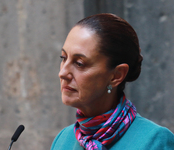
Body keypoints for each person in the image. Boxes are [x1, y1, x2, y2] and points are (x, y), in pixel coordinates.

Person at [50, 13, 174, 150]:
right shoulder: (63, 140)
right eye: (63, 58)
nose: (62, 73)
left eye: (79, 63)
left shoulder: (155, 141)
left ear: (116, 76)